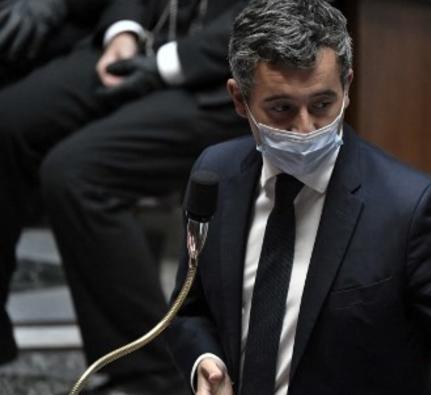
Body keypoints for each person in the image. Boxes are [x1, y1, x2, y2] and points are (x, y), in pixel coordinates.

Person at [166, 1, 431, 394]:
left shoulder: (410, 208)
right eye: (281, 109)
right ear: (239, 99)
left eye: (322, 104)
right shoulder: (217, 174)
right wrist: (203, 361)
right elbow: (188, 310)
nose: (305, 127)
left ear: (347, 87)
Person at [0, 0, 248, 393]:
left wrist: (168, 64)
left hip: (222, 76)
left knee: (76, 173)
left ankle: (150, 376)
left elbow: (273, 16)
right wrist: (123, 30)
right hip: (142, 42)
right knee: (9, 121)